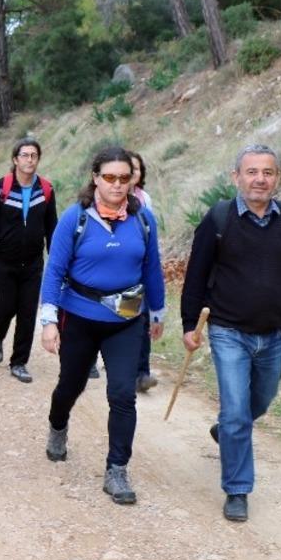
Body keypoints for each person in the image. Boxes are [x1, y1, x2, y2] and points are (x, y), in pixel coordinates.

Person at [180, 144, 281, 523]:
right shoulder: (219, 219)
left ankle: (227, 431)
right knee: (237, 411)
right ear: (236, 177)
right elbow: (195, 276)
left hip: (275, 332)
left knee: (261, 400)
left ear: (278, 179)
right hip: (229, 332)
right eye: (252, 172)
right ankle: (237, 489)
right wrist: (189, 324)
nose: (260, 179)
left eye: (268, 172)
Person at [38, 146, 164, 506]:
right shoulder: (74, 218)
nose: (117, 185)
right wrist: (49, 321)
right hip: (79, 316)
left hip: (126, 320)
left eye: (125, 178)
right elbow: (55, 271)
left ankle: (116, 470)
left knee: (122, 394)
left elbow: (151, 268)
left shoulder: (143, 220)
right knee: (70, 386)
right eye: (109, 177)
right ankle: (58, 426)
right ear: (95, 178)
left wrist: (157, 312)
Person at [0, 137, 58, 383]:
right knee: (6, 307)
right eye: (24, 155)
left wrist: (57, 260)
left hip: (34, 263)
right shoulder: (0, 188)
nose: (29, 159)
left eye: (34, 155)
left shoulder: (46, 190)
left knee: (27, 313)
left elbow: (52, 229)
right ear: (15, 160)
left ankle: (19, 363)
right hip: (4, 261)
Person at [126, 150, 158, 394]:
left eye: (136, 169)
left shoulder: (144, 199)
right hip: (123, 277)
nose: (133, 174)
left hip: (141, 273)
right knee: (127, 320)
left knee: (142, 321)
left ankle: (141, 373)